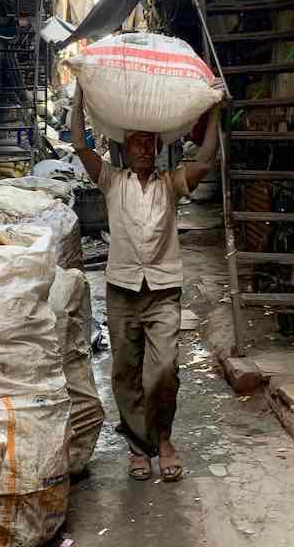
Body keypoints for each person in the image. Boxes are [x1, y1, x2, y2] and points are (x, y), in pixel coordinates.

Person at [69, 84, 224, 483]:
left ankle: (164, 437)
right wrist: (81, 95)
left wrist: (216, 109)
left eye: (148, 144)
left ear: (155, 150)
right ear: (125, 149)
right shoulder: (111, 180)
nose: (141, 149)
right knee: (125, 371)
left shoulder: (169, 185)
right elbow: (79, 144)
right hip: (122, 290)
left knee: (164, 370)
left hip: (162, 290)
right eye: (135, 143)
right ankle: (140, 447)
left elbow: (206, 158)